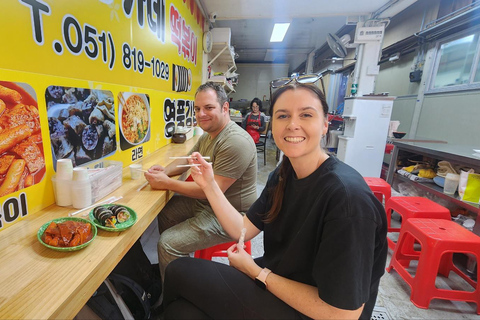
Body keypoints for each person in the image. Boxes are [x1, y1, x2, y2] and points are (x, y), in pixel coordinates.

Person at [162, 82, 388, 319]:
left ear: (324, 125)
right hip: (281, 283)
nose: (292, 125)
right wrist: (208, 184)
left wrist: (255, 271)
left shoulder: (347, 199)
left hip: (315, 311)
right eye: (283, 116)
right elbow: (242, 229)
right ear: (273, 124)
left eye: (306, 115)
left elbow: (343, 313)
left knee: (180, 271)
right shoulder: (284, 174)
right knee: (181, 312)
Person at [143, 82, 257, 283]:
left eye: (209, 108)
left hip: (231, 214)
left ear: (224, 108)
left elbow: (209, 191)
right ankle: (180, 269)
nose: (201, 114)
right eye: (197, 109)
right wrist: (165, 171)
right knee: (166, 212)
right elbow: (187, 161)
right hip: (209, 205)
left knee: (167, 243)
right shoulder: (209, 135)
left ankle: (175, 296)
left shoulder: (236, 142)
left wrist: (167, 183)